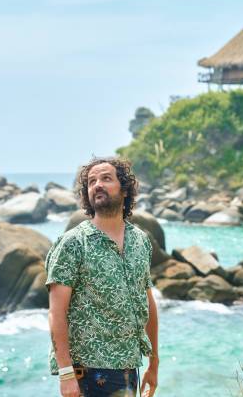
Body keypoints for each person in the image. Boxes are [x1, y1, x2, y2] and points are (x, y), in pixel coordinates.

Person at [45, 157, 159, 397]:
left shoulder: (140, 241)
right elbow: (57, 312)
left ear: (124, 189)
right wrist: (66, 375)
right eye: (91, 181)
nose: (97, 185)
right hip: (88, 372)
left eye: (106, 178)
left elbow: (148, 303)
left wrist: (153, 363)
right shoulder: (73, 243)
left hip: (129, 367)